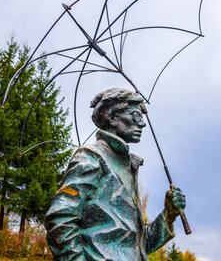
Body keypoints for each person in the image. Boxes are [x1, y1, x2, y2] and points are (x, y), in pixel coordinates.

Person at [45, 88, 186, 261]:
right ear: (113, 118)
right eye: (135, 116)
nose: (142, 123)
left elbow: (135, 248)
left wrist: (168, 214)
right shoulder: (91, 156)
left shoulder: (127, 166)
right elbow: (59, 220)